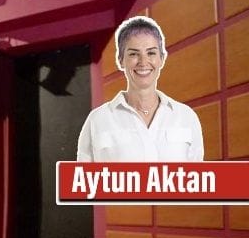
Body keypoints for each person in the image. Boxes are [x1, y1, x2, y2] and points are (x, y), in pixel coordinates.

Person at [77, 15, 204, 162]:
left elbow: (197, 174)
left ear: (162, 58)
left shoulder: (186, 117)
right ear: (120, 60)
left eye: (151, 53)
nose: (143, 62)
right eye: (133, 54)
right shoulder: (97, 120)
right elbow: (83, 175)